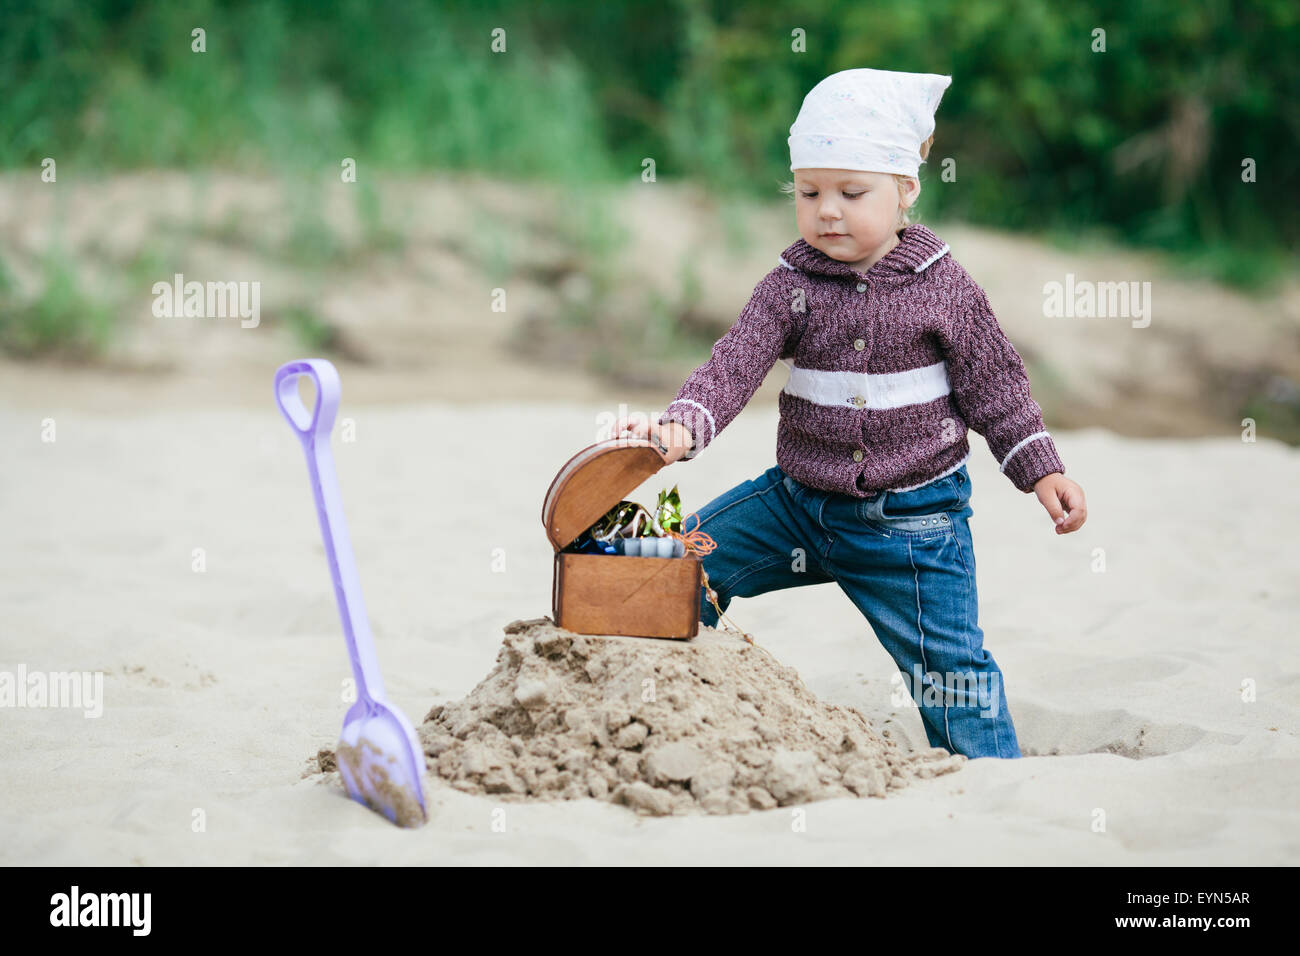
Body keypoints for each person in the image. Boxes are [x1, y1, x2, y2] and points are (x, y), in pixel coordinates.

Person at [617, 68, 1087, 760]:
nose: (827, 211)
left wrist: (1041, 469)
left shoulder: (945, 290)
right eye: (808, 192)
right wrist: (682, 426)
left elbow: (997, 389)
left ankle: (996, 779)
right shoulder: (790, 286)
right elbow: (734, 363)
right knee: (674, 566)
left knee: (950, 673)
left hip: (914, 526)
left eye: (850, 192)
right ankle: (667, 715)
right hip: (797, 503)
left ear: (906, 192)